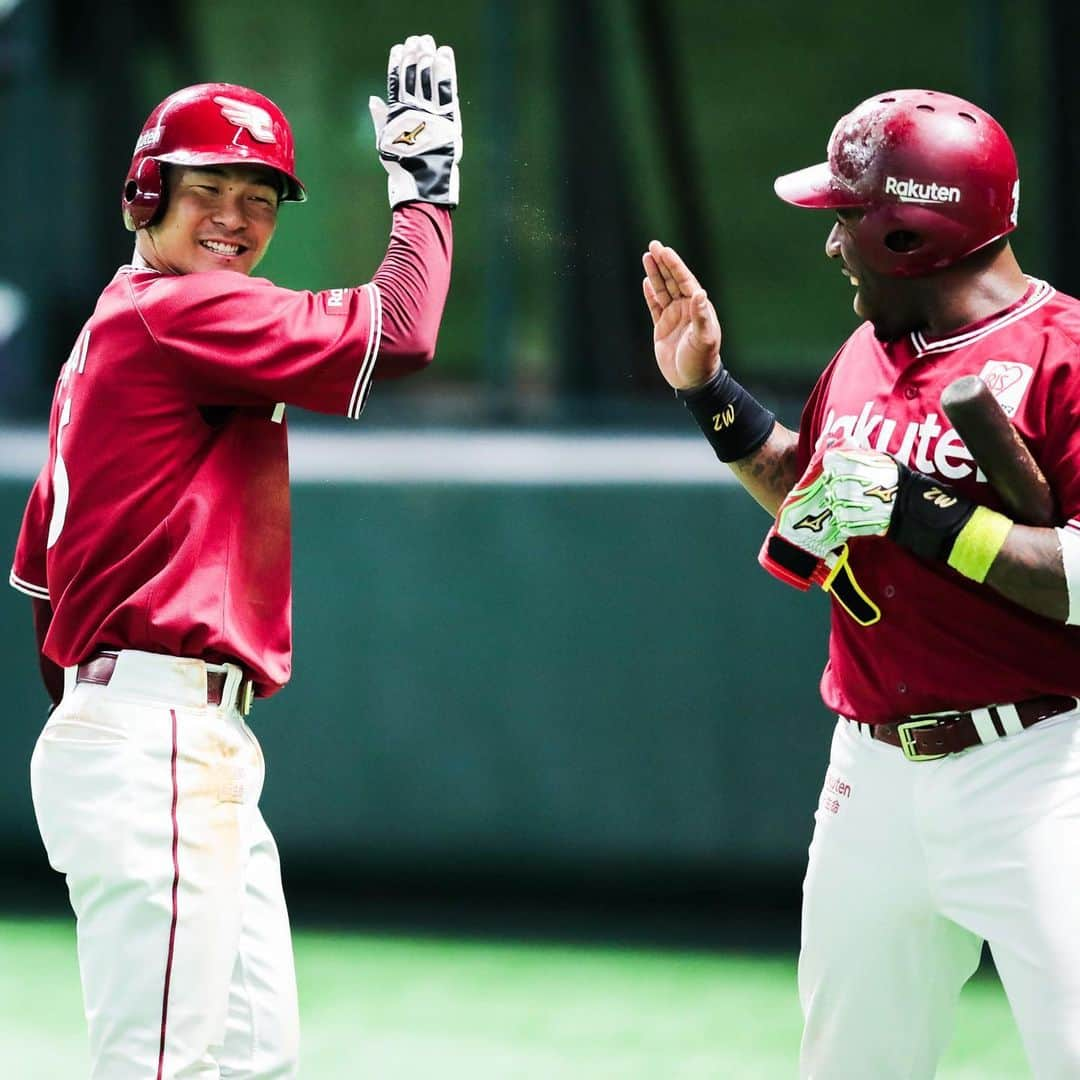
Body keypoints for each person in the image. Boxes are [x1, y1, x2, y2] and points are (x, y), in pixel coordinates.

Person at [8, 34, 460, 1079]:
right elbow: (402, 332)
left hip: (156, 733)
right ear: (144, 195)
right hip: (156, 734)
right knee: (163, 1065)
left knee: (250, 1061)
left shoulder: (119, 329)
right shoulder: (180, 313)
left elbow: (42, 577)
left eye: (262, 197)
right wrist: (427, 193)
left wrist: (97, 713)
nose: (237, 217)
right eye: (208, 186)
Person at [642, 89, 1080, 1078]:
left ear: (910, 231)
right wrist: (709, 395)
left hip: (1043, 769)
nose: (835, 245)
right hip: (872, 773)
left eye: (848, 218)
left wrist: (921, 512)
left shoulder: (1067, 357)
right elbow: (822, 498)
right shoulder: (865, 353)